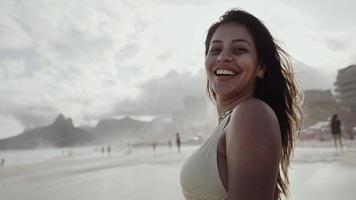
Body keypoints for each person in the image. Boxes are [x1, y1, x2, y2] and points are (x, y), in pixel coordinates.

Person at [180, 9, 302, 200]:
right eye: (215, 50)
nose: (223, 57)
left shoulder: (252, 114)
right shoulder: (231, 121)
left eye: (239, 50)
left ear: (260, 67)